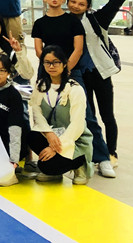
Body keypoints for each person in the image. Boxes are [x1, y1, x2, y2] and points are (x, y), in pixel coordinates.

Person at [31, 0, 113, 178]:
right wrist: (51, 66)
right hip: (47, 72)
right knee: (45, 114)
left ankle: (102, 158)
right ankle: (54, 160)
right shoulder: (40, 23)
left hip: (71, 72)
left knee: (86, 116)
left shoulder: (73, 21)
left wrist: (64, 69)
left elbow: (78, 48)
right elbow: (39, 50)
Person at [67, 0, 133, 168]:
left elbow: (113, 4)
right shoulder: (64, 22)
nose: (76, 6)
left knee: (107, 115)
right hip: (79, 75)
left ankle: (111, 153)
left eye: (81, 4)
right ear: (67, 2)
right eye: (73, 2)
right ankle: (95, 153)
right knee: (89, 116)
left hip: (100, 73)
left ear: (87, 6)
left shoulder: (97, 19)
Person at [28, 46, 92, 185]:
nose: (51, 66)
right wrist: (49, 134)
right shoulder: (40, 86)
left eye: (56, 62)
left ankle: (80, 164)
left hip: (73, 140)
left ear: (64, 64)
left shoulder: (75, 89)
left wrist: (55, 147)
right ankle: (55, 171)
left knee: (47, 166)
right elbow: (37, 115)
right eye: (47, 62)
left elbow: (77, 125)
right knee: (30, 135)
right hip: (53, 135)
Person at [0, 53, 25, 187]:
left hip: (5, 146)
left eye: (1, 70)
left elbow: (15, 128)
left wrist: (14, 159)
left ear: (8, 72)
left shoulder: (13, 95)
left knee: (3, 180)